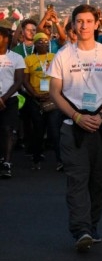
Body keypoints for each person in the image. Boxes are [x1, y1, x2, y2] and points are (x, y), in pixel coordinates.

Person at [49, 5, 102, 252]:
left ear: (95, 23)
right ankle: (80, 230)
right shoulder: (63, 55)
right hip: (73, 126)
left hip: (100, 126)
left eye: (88, 21)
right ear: (72, 24)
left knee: (97, 182)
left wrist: (101, 116)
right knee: (77, 179)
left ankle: (92, 226)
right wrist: (76, 116)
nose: (83, 26)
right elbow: (55, 92)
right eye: (79, 21)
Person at [22, 32, 60, 170]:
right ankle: (36, 160)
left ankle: (60, 161)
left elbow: (60, 77)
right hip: (35, 100)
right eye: (39, 41)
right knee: (38, 131)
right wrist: (35, 95)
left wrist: (53, 93)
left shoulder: (54, 57)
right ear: (35, 44)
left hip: (53, 99)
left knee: (55, 131)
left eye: (45, 41)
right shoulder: (29, 59)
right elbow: (25, 81)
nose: (43, 44)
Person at [0, 22, 25, 178]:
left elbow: (18, 81)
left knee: (8, 130)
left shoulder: (16, 57)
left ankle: (7, 162)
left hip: (10, 100)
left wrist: (4, 98)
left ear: (6, 39)